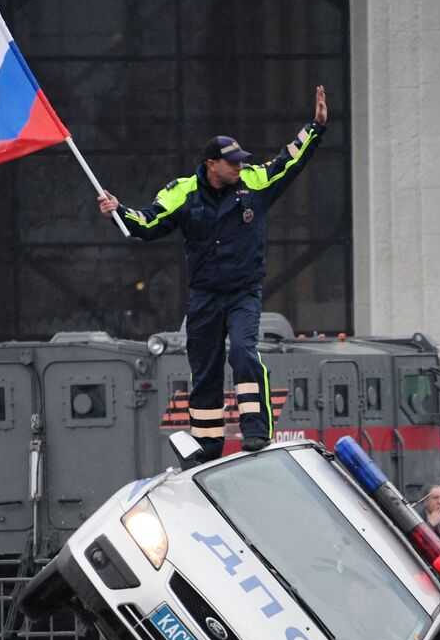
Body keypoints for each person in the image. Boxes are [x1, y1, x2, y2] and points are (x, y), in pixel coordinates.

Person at [99, 86, 329, 467]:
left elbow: (289, 162)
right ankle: (207, 448)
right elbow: (148, 223)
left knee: (242, 351)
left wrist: (315, 128)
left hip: (243, 293)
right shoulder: (183, 193)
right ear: (211, 164)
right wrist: (117, 211)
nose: (240, 166)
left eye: (241, 161)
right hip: (205, 296)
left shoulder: (253, 183)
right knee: (203, 368)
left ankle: (256, 430)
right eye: (232, 162)